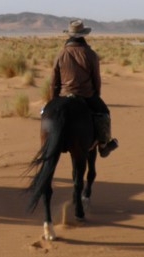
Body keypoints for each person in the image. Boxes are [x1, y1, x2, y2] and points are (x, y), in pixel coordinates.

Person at [50, 19, 118, 157]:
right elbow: (96, 79)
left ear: (69, 35)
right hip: (86, 94)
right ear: (83, 35)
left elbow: (53, 82)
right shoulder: (90, 54)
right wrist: (96, 95)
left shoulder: (60, 54)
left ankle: (50, 143)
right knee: (105, 112)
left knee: (47, 114)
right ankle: (103, 146)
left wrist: (53, 101)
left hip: (64, 94)